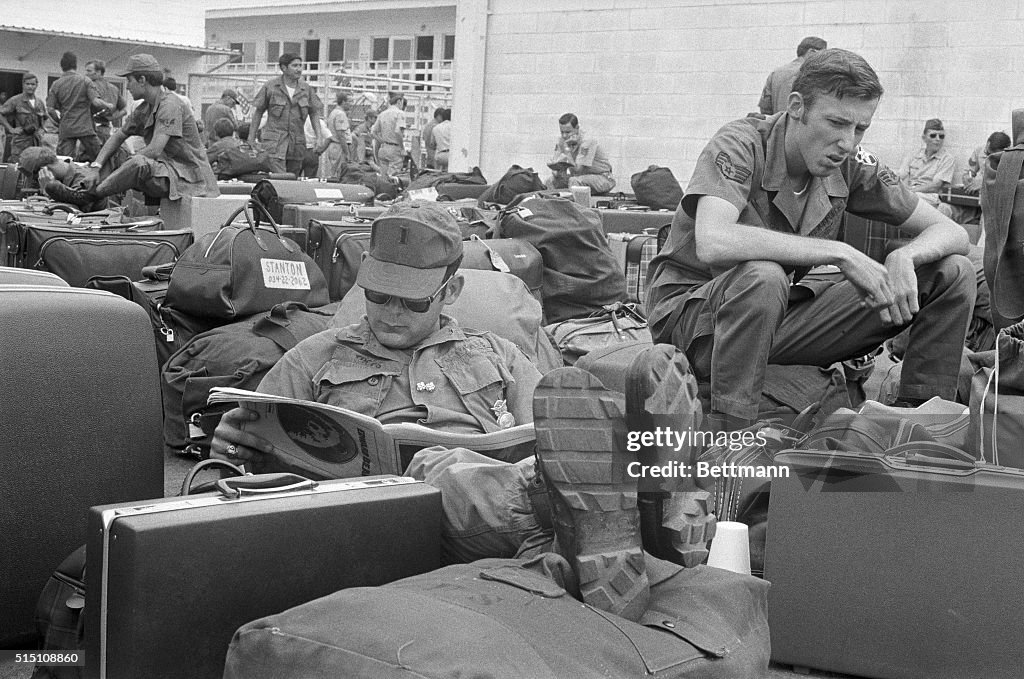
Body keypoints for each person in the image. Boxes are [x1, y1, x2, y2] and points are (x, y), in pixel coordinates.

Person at [209, 200, 717, 625]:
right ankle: (638, 503)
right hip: (387, 515)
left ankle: (629, 519)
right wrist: (232, 451)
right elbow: (243, 465)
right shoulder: (313, 358)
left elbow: (560, 437)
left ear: (450, 292)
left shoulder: (498, 354)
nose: (390, 313)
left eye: (410, 303)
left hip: (505, 509)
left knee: (547, 506)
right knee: (437, 468)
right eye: (379, 296)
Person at [646, 48, 975, 433]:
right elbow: (714, 240)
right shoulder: (741, 143)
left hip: (772, 317)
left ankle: (919, 424)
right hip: (695, 322)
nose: (848, 142)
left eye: (860, 128)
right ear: (797, 106)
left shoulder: (849, 164)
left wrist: (906, 256)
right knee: (764, 276)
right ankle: (730, 434)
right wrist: (840, 253)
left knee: (951, 270)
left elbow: (953, 232)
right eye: (836, 122)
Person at [43, 54, 218, 209]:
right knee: (117, 152)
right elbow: (118, 136)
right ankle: (82, 187)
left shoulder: (170, 105)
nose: (127, 87)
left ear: (142, 80)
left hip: (190, 178)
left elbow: (154, 150)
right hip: (169, 171)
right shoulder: (145, 108)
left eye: (130, 81)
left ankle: (90, 195)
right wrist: (96, 167)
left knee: (138, 162)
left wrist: (125, 164)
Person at [250, 53, 324, 176]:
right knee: (279, 178)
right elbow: (258, 112)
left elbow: (314, 113)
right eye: (295, 66)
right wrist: (251, 138)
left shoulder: (306, 89)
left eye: (300, 65)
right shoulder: (271, 87)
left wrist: (319, 137)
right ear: (284, 68)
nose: (299, 69)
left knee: (293, 179)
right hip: (275, 144)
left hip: (296, 144)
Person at [46, 51, 113, 161]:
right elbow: (96, 102)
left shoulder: (56, 84)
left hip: (67, 128)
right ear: (75, 65)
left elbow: (50, 109)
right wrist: (108, 105)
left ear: (62, 66)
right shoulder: (85, 80)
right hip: (85, 127)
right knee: (100, 158)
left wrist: (60, 121)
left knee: (64, 160)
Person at [547, 113, 615, 195]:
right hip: (581, 177)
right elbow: (555, 160)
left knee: (574, 181)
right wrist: (556, 171)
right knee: (550, 181)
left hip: (602, 178)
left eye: (568, 132)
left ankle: (576, 207)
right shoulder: (562, 140)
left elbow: (578, 169)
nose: (564, 136)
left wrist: (567, 150)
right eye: (562, 132)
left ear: (577, 128)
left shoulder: (587, 142)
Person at [758, 36, 827, 116]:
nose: (823, 59)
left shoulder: (775, 73)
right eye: (823, 54)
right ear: (811, 52)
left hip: (777, 125)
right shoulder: (812, 73)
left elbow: (765, 108)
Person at [17, 146, 102, 209]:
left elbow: (73, 212)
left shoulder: (84, 179)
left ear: (44, 170)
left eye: (36, 178)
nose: (37, 181)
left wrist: (49, 191)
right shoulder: (57, 178)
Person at [0, 73, 48, 164]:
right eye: (28, 84)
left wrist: (42, 129)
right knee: (18, 168)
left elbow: (45, 117)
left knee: (35, 167)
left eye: (33, 84)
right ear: (23, 85)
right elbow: (1, 114)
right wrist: (11, 129)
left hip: (36, 142)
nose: (30, 87)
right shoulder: (16, 100)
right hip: (21, 142)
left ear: (36, 85)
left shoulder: (39, 102)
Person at [84, 60, 127, 145]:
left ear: (99, 72)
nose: (86, 73)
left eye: (89, 71)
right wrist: (113, 117)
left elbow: (96, 102)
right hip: (106, 131)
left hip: (90, 130)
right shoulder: (114, 88)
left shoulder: (89, 86)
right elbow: (125, 110)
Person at [372, 91, 407, 176]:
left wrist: (382, 141)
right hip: (394, 148)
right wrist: (402, 148)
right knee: (393, 177)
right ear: (399, 101)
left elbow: (373, 132)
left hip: (383, 148)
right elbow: (398, 131)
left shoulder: (382, 114)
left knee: (383, 176)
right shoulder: (400, 113)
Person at [323, 91, 352, 179]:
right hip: (338, 145)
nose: (350, 104)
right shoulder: (340, 114)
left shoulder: (334, 112)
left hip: (333, 145)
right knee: (337, 172)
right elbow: (341, 135)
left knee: (333, 171)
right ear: (343, 102)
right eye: (349, 101)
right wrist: (347, 153)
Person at [431, 108, 452, 172]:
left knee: (438, 173)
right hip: (451, 155)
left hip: (439, 156)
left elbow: (432, 144)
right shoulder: (454, 126)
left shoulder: (435, 128)